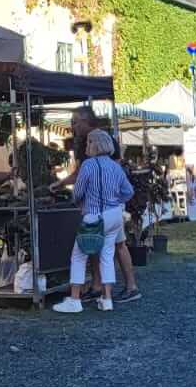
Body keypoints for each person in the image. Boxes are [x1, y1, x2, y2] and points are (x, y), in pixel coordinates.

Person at [56, 105, 141, 302]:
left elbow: (80, 177)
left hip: (97, 208)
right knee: (104, 247)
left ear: (86, 121)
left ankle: (128, 286)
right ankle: (102, 291)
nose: (72, 126)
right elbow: (118, 175)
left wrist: (63, 185)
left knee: (112, 245)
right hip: (111, 208)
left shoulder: (97, 141)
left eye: (75, 122)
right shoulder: (91, 142)